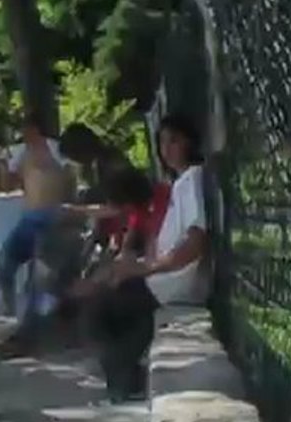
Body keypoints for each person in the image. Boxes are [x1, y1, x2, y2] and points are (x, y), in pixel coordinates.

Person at [78, 115, 209, 403]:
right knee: (105, 303)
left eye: (174, 140)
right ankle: (126, 377)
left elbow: (195, 242)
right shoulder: (180, 182)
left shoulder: (194, 180)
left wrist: (145, 268)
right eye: (162, 141)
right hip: (159, 276)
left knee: (101, 310)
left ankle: (124, 380)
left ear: (189, 142)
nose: (167, 149)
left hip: (172, 280)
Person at [0, 112, 73, 318]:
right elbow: (7, 187)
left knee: (39, 272)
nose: (25, 134)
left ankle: (39, 315)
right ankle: (9, 307)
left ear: (36, 129)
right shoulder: (20, 153)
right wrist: (3, 164)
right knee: (4, 265)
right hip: (30, 217)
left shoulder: (55, 149)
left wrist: (68, 209)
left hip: (52, 216)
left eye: (28, 129)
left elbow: (70, 178)